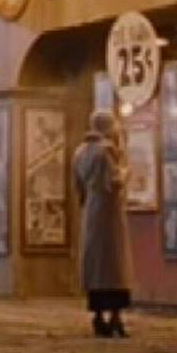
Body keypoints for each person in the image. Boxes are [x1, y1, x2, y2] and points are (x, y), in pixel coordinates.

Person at [73, 110, 134, 339]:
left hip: (91, 209)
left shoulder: (80, 152)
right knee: (114, 264)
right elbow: (114, 181)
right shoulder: (107, 151)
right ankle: (116, 317)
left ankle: (98, 316)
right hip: (109, 211)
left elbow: (78, 186)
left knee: (96, 264)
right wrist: (126, 171)